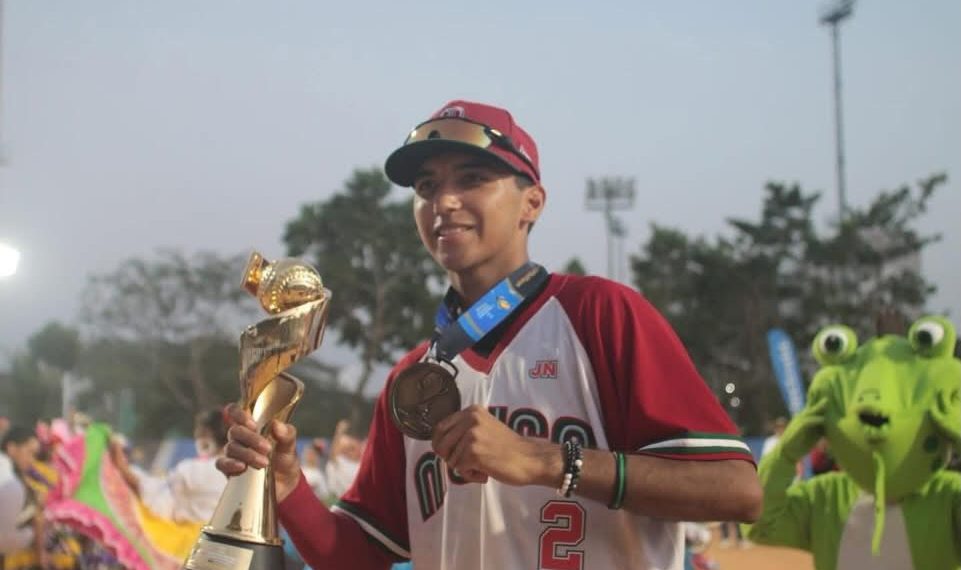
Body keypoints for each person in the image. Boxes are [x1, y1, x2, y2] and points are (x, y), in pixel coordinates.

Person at [219, 99, 762, 570]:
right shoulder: (413, 379)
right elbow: (360, 557)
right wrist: (286, 484)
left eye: (472, 179)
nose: (444, 201)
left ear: (533, 203)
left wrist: (547, 461)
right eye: (427, 186)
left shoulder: (601, 314)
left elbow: (736, 491)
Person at [112, 408, 228, 524]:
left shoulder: (194, 470)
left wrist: (122, 468)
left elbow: (155, 498)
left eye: (199, 433)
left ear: (207, 433)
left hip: (176, 537)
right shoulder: (236, 477)